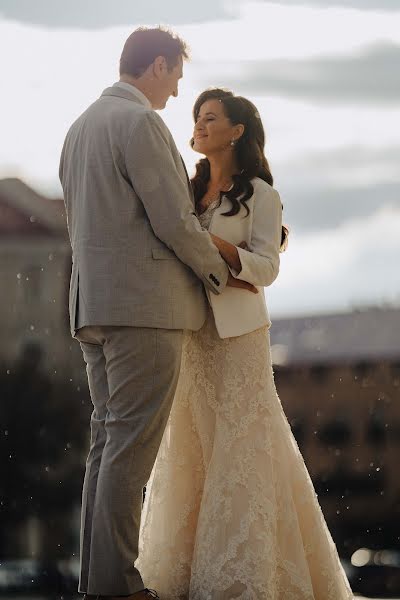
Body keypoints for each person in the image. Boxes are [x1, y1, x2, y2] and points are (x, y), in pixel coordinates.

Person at [59, 30, 256, 600]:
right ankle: (117, 584)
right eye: (173, 77)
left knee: (106, 445)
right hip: (144, 309)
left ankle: (99, 581)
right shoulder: (140, 124)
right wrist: (218, 275)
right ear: (158, 64)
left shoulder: (80, 128)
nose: (175, 92)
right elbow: (173, 219)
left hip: (93, 306)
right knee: (129, 447)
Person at [136, 89, 354, 600]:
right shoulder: (183, 190)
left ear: (237, 131)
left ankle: (245, 574)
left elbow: (267, 268)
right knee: (189, 444)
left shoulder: (260, 193)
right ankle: (180, 572)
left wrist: (212, 246)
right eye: (197, 118)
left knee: (242, 445)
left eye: (211, 117)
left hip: (239, 339)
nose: (200, 125)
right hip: (191, 334)